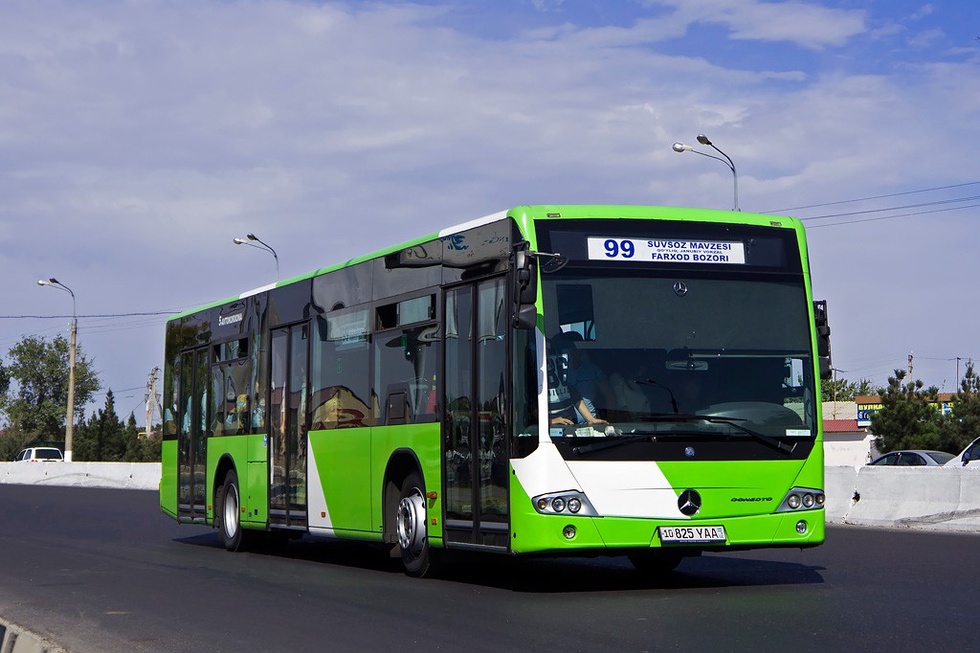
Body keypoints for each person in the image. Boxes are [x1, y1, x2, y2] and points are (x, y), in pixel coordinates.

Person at [548, 333, 606, 427]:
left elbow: (574, 394)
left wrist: (591, 419)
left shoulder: (564, 373)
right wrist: (549, 421)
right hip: (549, 427)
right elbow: (531, 403)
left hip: (570, 424)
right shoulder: (539, 373)